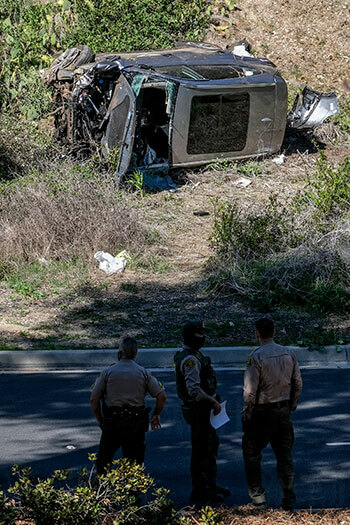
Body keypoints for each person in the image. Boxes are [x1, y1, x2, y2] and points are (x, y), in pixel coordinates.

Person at [242, 318, 303, 511]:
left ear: (257, 333)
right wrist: (291, 404)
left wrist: (249, 410)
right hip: (283, 410)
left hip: (262, 411)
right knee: (284, 456)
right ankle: (288, 500)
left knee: (252, 453)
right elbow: (298, 383)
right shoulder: (289, 353)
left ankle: (259, 499)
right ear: (274, 332)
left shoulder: (256, 357)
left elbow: (250, 391)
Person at [90, 336, 166, 475]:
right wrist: (156, 414)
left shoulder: (107, 372)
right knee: (134, 463)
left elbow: (94, 399)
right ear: (135, 353)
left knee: (104, 461)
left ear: (120, 352)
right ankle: (132, 495)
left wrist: (100, 421)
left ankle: (103, 493)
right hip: (135, 423)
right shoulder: (144, 372)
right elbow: (161, 396)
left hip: (113, 422)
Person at [174, 320, 230, 503]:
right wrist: (213, 402)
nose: (203, 337)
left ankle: (210, 485)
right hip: (200, 410)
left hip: (205, 409)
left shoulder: (194, 355)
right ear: (191, 337)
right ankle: (200, 489)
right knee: (201, 449)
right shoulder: (190, 359)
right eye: (200, 334)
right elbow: (194, 390)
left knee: (211, 446)